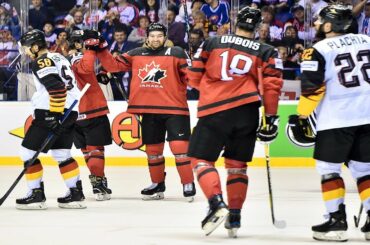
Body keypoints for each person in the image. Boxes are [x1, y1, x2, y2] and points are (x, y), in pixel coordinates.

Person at [187, 6, 283, 237]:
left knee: (200, 160)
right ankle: (235, 217)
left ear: (235, 21)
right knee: (237, 166)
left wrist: (212, 90)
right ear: (259, 26)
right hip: (248, 111)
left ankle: (216, 203)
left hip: (214, 109)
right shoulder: (267, 50)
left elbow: (192, 76)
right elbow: (272, 88)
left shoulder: (212, 42)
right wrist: (270, 118)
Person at [288, 4, 370, 241]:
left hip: (337, 118)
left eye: (318, 20)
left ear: (328, 25)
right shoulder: (367, 40)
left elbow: (312, 89)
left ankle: (335, 222)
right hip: (367, 116)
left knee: (328, 170)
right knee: (365, 170)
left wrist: (302, 115)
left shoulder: (318, 49)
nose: (315, 24)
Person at [96, 23, 196, 202]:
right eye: (153, 36)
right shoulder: (136, 54)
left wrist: (195, 68)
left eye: (159, 36)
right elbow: (112, 65)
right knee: (153, 151)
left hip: (175, 110)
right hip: (149, 110)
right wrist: (102, 48)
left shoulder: (177, 53)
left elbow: (193, 79)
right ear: (147, 37)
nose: (156, 39)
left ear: (165, 37)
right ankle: (157, 183)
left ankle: (188, 183)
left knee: (180, 149)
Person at [15, 29, 86, 210]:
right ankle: (75, 194)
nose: (25, 52)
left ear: (36, 47)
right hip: (69, 112)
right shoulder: (59, 57)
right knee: (62, 153)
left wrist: (54, 115)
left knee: (27, 153)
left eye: (27, 48)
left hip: (51, 112)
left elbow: (57, 88)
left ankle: (36, 195)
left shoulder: (41, 61)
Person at [68, 30, 113, 201]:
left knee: (87, 152)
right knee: (95, 150)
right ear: (79, 45)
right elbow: (86, 68)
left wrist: (97, 78)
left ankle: (98, 182)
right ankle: (98, 185)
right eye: (84, 42)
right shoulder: (78, 57)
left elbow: (83, 76)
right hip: (91, 109)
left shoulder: (63, 60)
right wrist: (91, 48)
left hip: (73, 112)